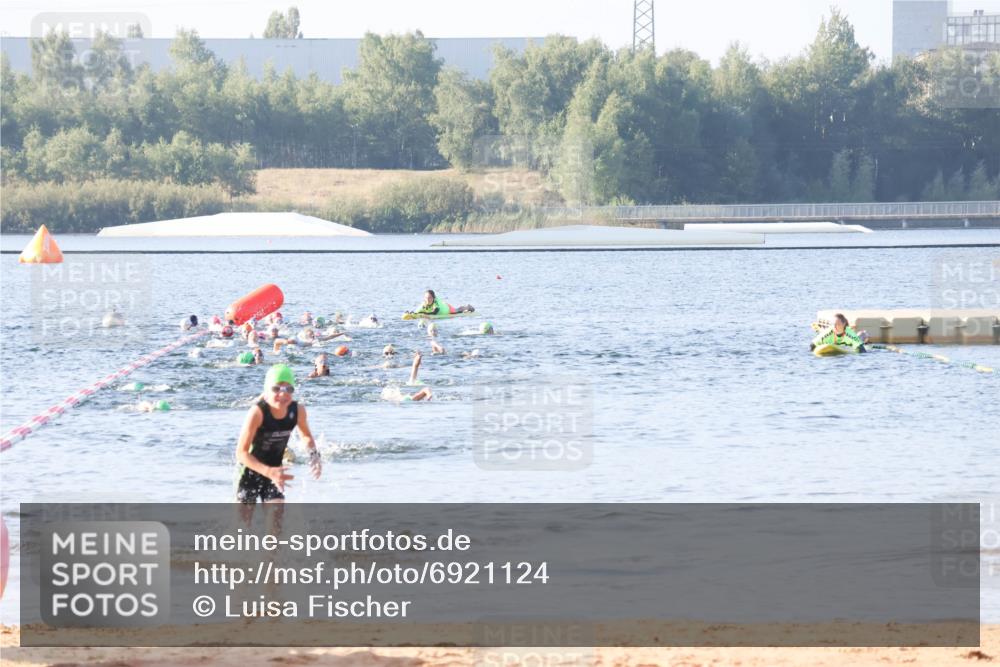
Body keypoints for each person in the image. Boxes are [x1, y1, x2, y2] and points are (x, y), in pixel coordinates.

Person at [235, 364, 321, 505]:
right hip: (249, 472)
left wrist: (314, 455)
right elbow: (241, 453)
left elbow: (306, 436)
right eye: (276, 389)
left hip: (275, 471)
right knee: (243, 525)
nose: (283, 394)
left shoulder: (298, 411)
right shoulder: (257, 413)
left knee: (276, 519)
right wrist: (268, 471)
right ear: (266, 391)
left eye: (289, 389)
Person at [408, 290, 474, 318]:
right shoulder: (424, 304)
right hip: (443, 306)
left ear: (433, 298)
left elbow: (435, 312)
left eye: (430, 298)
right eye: (426, 298)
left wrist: (423, 314)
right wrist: (411, 313)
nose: (428, 300)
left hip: (448, 309)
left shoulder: (435, 303)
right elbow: (416, 311)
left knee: (457, 311)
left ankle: (468, 307)